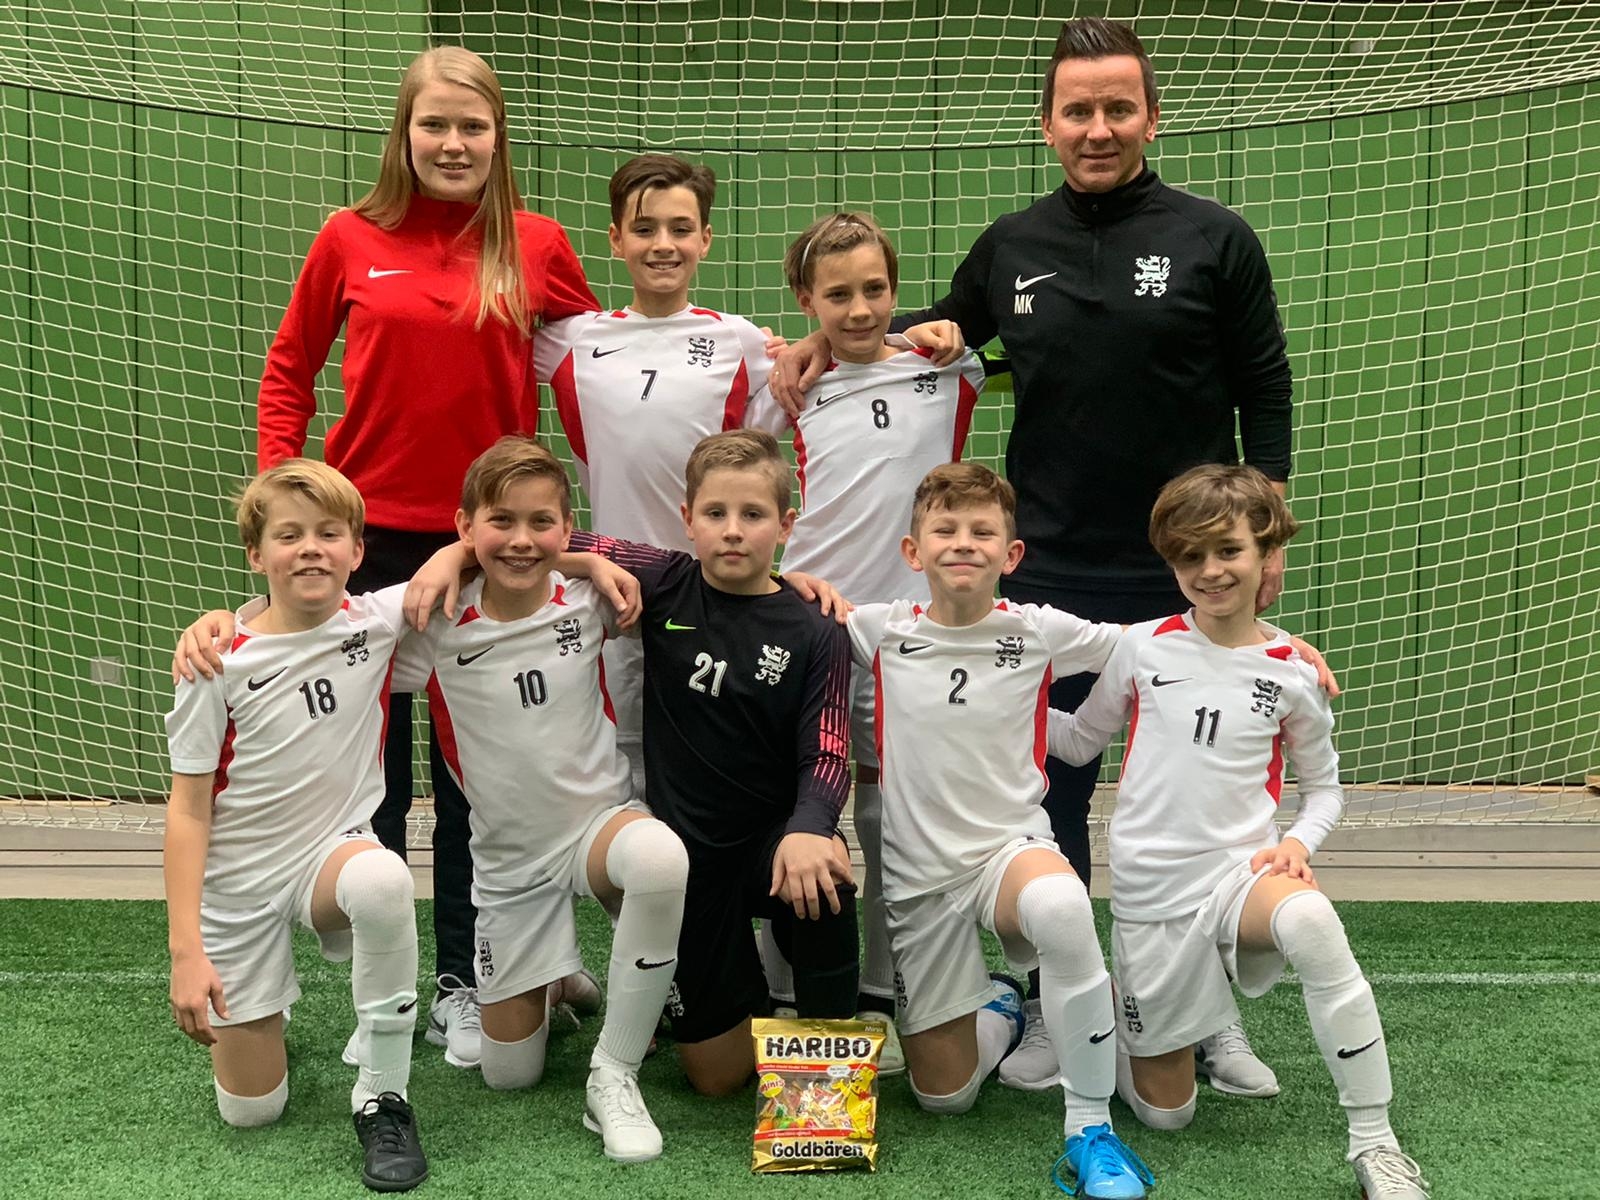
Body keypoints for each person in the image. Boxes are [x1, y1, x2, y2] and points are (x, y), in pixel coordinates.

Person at [769, 15, 1292, 1096]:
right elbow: (924, 330)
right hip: (1049, 568)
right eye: (1077, 110)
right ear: (1048, 123)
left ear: (1151, 116)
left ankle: (1201, 1017)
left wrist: (1264, 529)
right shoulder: (1013, 243)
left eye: (1117, 108)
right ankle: (1057, 1004)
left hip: (1183, 571)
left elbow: (1264, 382)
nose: (1098, 128)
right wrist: (823, 337)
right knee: (1051, 798)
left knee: (1197, 797)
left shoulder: (1216, 237)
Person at [252, 46, 602, 1070]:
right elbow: (289, 369)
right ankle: (382, 998)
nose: (454, 144)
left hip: (491, 548)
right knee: (364, 784)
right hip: (369, 547)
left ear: (498, 139)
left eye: (472, 127)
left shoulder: (536, 244)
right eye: (435, 125)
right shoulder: (348, 237)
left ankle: (467, 981)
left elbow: (601, 372)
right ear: (403, 134)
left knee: (471, 783)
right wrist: (286, 499)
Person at [1045, 465, 1429, 1199]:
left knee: (1311, 919)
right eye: (1191, 556)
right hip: (1151, 892)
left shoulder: (1294, 674)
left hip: (1239, 875)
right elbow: (1078, 740)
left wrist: (1297, 845)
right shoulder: (1142, 647)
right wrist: (996, 707)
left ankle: (1376, 1144)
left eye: (1228, 550)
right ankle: (1139, 1026)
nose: (1211, 570)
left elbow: (1324, 791)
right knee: (1168, 1115)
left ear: (1266, 555)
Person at [833, 462, 1151, 1199]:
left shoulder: (1038, 630)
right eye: (945, 529)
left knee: (1063, 907)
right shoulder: (876, 628)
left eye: (982, 532)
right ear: (913, 551)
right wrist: (804, 585)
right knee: (944, 1097)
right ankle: (1002, 1011)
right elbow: (794, 617)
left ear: (1011, 554)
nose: (963, 543)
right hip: (917, 877)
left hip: (1009, 850)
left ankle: (1090, 1129)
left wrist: (1267, 641)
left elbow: (1144, 644)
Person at [387, 436, 686, 1162]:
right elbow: (323, 625)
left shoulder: (592, 596)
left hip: (597, 828)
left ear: (567, 527)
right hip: (509, 860)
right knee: (508, 1075)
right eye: (501, 522)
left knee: (660, 859)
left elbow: (702, 573)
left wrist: (584, 562)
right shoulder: (432, 620)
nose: (522, 540)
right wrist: (228, 623)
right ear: (465, 527)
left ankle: (613, 1075)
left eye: (541, 523)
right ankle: (559, 979)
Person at [745, 212, 984, 1074]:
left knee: (891, 815)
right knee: (793, 807)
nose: (859, 309)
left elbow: (997, 345)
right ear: (805, 299)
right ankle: (778, 988)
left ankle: (886, 988)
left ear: (896, 288)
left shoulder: (951, 367)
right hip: (811, 625)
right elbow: (736, 471)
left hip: (912, 636)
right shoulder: (788, 387)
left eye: (875, 290)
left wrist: (934, 329)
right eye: (836, 295)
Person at [561, 429, 861, 1096]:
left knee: (828, 873)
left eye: (753, 515)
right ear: (687, 519)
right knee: (717, 1080)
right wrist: (582, 564)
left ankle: (827, 1067)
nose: (732, 531)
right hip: (688, 864)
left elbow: (828, 748)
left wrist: (810, 826)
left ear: (785, 525)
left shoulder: (816, 627)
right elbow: (539, 540)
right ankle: (751, 1000)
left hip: (773, 846)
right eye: (715, 513)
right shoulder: (667, 580)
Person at [163, 461, 427, 1192]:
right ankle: (265, 1015)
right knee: (253, 1112)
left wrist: (582, 563)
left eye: (328, 533)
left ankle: (383, 1098)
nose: (310, 548)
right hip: (239, 889)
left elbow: (481, 553)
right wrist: (186, 952)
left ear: (357, 550)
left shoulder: (377, 623)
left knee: (384, 879)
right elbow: (187, 810)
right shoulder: (216, 659)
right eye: (289, 535)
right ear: (256, 554)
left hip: (329, 860)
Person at [531, 153, 779, 801]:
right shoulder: (570, 340)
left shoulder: (743, 343)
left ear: (706, 239)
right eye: (644, 229)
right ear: (615, 240)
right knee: (624, 771)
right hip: (610, 592)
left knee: (712, 768)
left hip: (714, 598)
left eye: (680, 228)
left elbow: (815, 374)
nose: (663, 244)